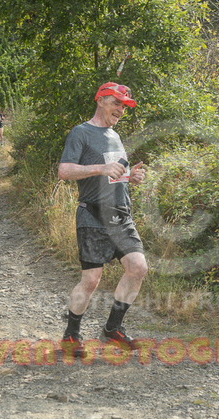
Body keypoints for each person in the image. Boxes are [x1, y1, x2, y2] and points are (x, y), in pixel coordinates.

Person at [58, 82, 147, 353]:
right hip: (92, 215)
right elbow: (64, 171)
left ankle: (112, 329)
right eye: (116, 103)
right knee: (91, 279)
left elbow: (112, 175)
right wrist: (101, 168)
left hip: (120, 215)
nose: (121, 109)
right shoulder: (81, 132)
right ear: (100, 100)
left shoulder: (115, 136)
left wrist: (130, 177)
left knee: (138, 267)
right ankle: (71, 336)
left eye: (124, 106)